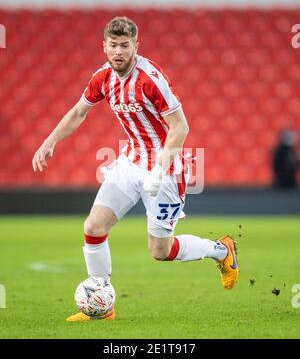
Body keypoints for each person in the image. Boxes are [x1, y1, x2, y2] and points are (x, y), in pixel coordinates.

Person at [32, 17, 239, 322]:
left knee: (160, 251)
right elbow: (78, 112)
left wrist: (160, 168)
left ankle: (222, 251)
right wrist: (50, 141)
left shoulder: (150, 79)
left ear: (135, 47)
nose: (118, 51)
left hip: (165, 170)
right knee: (93, 228)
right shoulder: (102, 77)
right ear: (104, 46)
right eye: (113, 45)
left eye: (125, 46)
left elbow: (180, 127)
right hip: (130, 162)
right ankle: (102, 307)